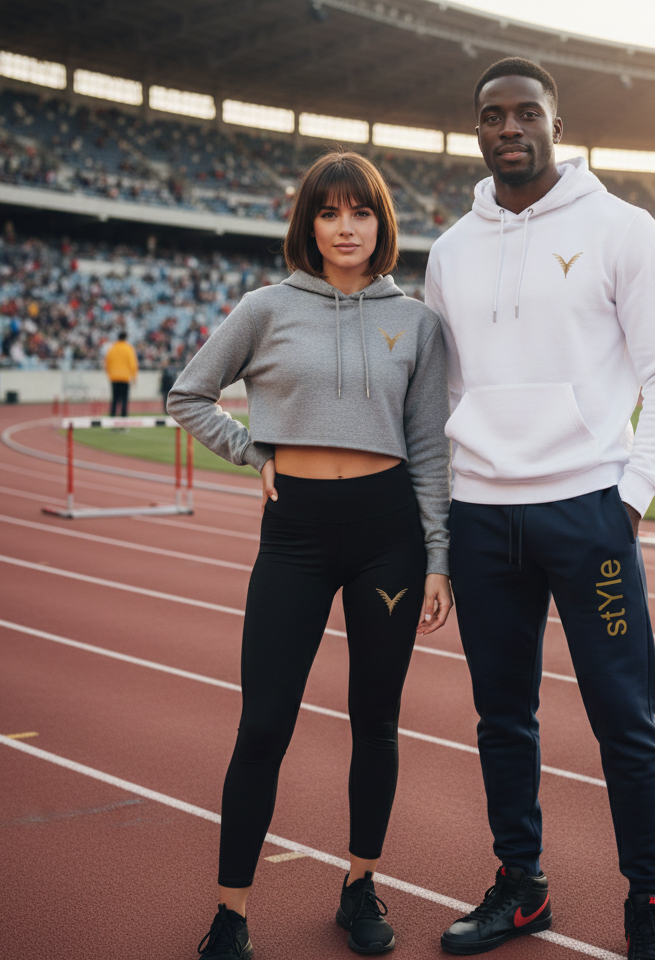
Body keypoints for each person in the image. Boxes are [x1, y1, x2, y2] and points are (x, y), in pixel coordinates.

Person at [425, 58, 655, 959]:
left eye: (526, 113)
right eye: (492, 115)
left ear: (555, 124)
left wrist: (632, 498)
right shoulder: (451, 251)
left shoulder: (623, 230)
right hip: (481, 516)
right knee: (502, 718)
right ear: (476, 130)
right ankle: (522, 886)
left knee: (625, 719)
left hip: (588, 514)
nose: (509, 127)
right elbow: (444, 391)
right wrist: (447, 514)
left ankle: (649, 900)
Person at [167, 151, 452, 959]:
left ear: (380, 223)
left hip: (388, 536)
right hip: (294, 533)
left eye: (359, 212)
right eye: (329, 213)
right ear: (309, 224)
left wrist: (439, 556)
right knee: (263, 724)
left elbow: (430, 448)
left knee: (376, 720)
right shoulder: (265, 308)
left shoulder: (419, 323)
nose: (345, 227)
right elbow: (187, 394)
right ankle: (231, 915)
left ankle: (360, 886)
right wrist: (251, 449)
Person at [104, 330, 138, 417]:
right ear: (125, 338)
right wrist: (134, 377)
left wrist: (109, 374)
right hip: (125, 377)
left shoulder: (112, 348)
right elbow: (132, 364)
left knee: (114, 399)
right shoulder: (128, 348)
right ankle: (123, 418)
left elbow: (107, 363)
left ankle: (112, 417)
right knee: (124, 399)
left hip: (114, 377)